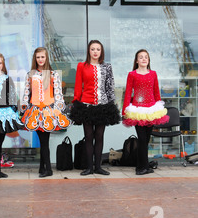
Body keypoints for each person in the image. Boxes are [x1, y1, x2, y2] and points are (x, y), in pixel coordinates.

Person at [70, 40, 121, 176]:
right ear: (89, 51)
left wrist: (112, 103)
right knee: (88, 136)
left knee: (99, 136)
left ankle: (98, 167)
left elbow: (110, 87)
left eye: (98, 49)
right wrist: (76, 102)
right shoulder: (82, 66)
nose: (95, 52)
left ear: (101, 51)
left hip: (103, 106)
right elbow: (78, 85)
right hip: (86, 105)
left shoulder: (107, 67)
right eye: (92, 49)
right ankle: (89, 168)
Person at [21, 47, 71, 177]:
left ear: (46, 58)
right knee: (43, 141)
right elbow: (26, 93)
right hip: (35, 111)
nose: (40, 59)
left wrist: (58, 109)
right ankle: (43, 167)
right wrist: (24, 108)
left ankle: (48, 169)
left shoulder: (53, 74)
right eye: (38, 57)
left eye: (42, 57)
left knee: (45, 141)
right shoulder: (30, 74)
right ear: (35, 59)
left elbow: (58, 94)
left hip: (49, 110)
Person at [122, 49, 169, 175]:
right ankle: (142, 167)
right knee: (141, 139)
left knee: (146, 139)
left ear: (148, 60)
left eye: (146, 57)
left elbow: (156, 91)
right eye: (141, 57)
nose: (143, 59)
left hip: (152, 109)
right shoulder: (132, 74)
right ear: (136, 60)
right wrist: (125, 109)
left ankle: (142, 166)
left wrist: (159, 107)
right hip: (138, 110)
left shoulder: (153, 74)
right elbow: (128, 93)